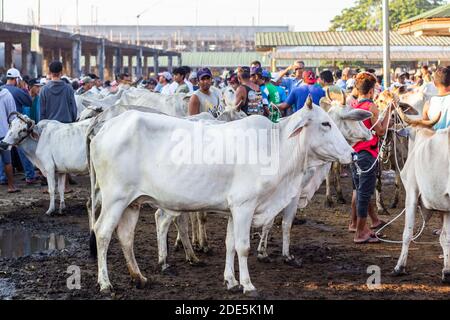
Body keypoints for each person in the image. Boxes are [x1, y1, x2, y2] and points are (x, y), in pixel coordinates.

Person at [349, 72, 390, 244]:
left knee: (358, 190)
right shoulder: (371, 107)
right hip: (368, 154)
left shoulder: (353, 106)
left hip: (354, 153)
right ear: (372, 91)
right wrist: (388, 113)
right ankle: (360, 233)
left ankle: (358, 226)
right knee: (365, 193)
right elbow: (380, 131)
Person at [1, 68, 37, 184]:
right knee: (23, 150)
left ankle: (2, 177)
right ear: (16, 79)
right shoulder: (16, 91)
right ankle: (30, 175)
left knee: (3, 154)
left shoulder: (3, 90)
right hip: (15, 126)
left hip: (2, 127)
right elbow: (29, 102)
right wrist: (24, 88)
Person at [0, 88, 20, 192]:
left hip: (4, 136)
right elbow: (12, 116)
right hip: (4, 135)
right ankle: (11, 186)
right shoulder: (6, 94)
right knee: (7, 161)